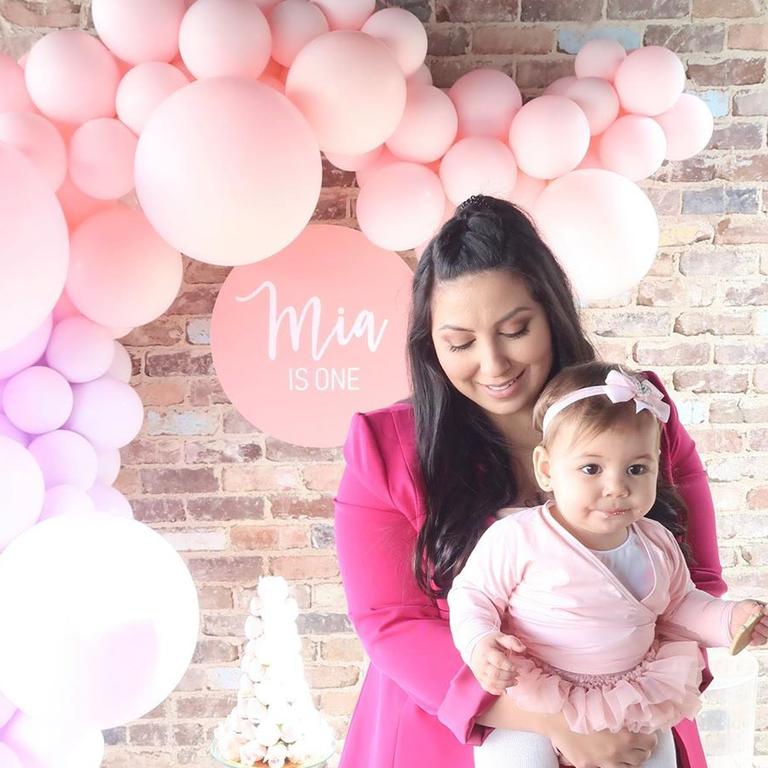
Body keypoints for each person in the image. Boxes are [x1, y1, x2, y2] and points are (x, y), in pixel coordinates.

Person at [334, 195, 730, 768]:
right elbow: (390, 623)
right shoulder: (385, 450)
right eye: (461, 343)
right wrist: (558, 725)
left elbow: (698, 580)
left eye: (515, 330)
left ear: (551, 313)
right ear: (431, 347)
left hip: (628, 733)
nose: (493, 365)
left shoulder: (634, 409)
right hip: (456, 733)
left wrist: (624, 714)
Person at [449, 362, 768, 768]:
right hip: (539, 693)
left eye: (636, 469)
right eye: (591, 468)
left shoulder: (656, 542)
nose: (617, 487)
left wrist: (729, 619)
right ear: (546, 468)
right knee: (516, 758)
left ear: (656, 464)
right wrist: (481, 643)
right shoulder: (519, 537)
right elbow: (473, 595)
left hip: (630, 695)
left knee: (657, 755)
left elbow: (680, 607)